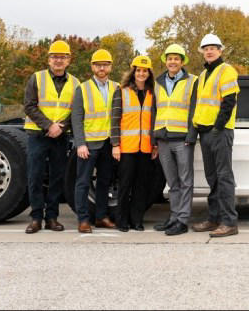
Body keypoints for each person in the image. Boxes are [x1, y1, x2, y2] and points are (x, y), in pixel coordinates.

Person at [23, 39, 80, 234]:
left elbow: (77, 112)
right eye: (55, 57)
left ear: (68, 60)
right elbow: (29, 106)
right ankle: (36, 218)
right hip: (38, 135)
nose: (58, 60)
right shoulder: (36, 78)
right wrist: (48, 125)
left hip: (60, 137)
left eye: (62, 57)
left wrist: (60, 128)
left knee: (57, 178)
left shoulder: (75, 83)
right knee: (35, 176)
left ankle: (52, 218)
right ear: (49, 59)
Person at [191, 33, 240, 237]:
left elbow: (229, 101)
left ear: (220, 50)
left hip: (219, 132)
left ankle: (229, 222)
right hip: (206, 132)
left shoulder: (226, 70)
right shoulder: (203, 75)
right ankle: (214, 219)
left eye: (213, 47)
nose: (209, 51)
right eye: (206, 48)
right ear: (202, 52)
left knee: (224, 177)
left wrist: (218, 127)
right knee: (213, 178)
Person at [151, 44, 198, 236]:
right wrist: (154, 138)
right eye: (169, 58)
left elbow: (195, 109)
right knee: (172, 182)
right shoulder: (158, 82)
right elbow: (154, 110)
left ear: (182, 61)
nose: (172, 62)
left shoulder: (192, 81)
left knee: (185, 180)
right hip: (163, 138)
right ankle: (174, 217)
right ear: (165, 61)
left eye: (176, 59)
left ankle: (182, 220)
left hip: (182, 139)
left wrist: (191, 135)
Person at [71, 48, 118, 233]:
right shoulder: (83, 88)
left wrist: (116, 143)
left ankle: (101, 217)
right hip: (89, 144)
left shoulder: (116, 87)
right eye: (98, 65)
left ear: (110, 67)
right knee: (82, 182)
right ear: (92, 66)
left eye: (105, 65)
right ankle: (83, 220)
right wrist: (80, 143)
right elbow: (77, 118)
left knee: (104, 182)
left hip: (108, 143)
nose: (102, 68)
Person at [110, 54, 156, 232]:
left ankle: (137, 220)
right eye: (138, 70)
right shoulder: (121, 91)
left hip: (145, 148)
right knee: (125, 186)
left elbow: (154, 121)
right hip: (126, 148)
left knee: (141, 187)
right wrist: (115, 144)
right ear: (133, 72)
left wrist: (154, 145)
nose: (141, 74)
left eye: (145, 71)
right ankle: (122, 221)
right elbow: (114, 119)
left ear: (149, 73)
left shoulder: (153, 93)